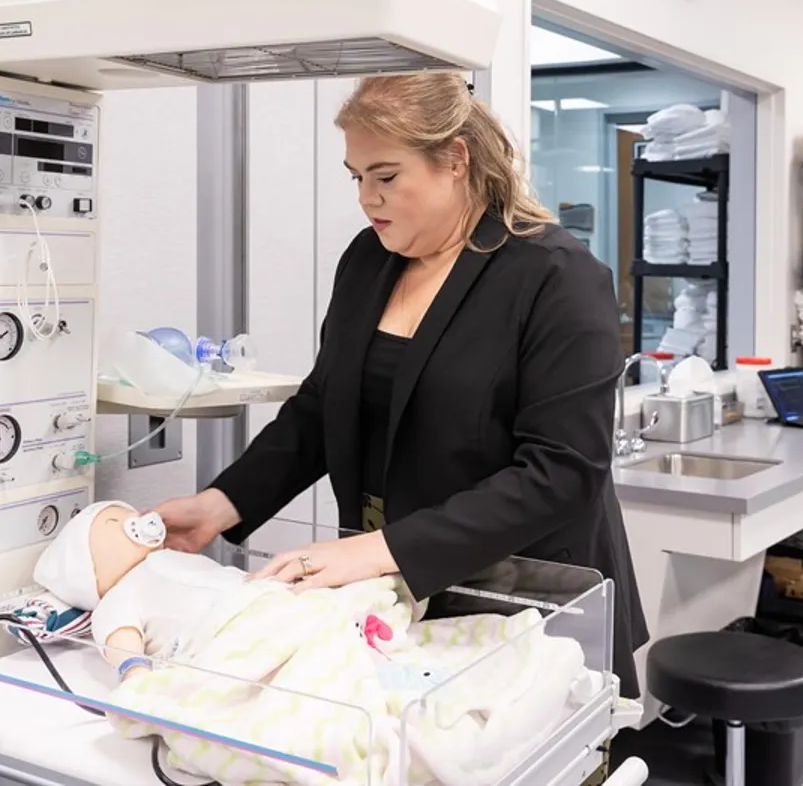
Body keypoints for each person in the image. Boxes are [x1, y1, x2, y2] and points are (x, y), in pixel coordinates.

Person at [154, 72, 648, 695]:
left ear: (455, 161)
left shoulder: (555, 276)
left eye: (385, 176)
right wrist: (220, 505)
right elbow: (321, 409)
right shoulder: (369, 261)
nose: (366, 198)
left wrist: (377, 550)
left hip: (528, 599)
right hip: (398, 592)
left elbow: (562, 473)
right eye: (356, 177)